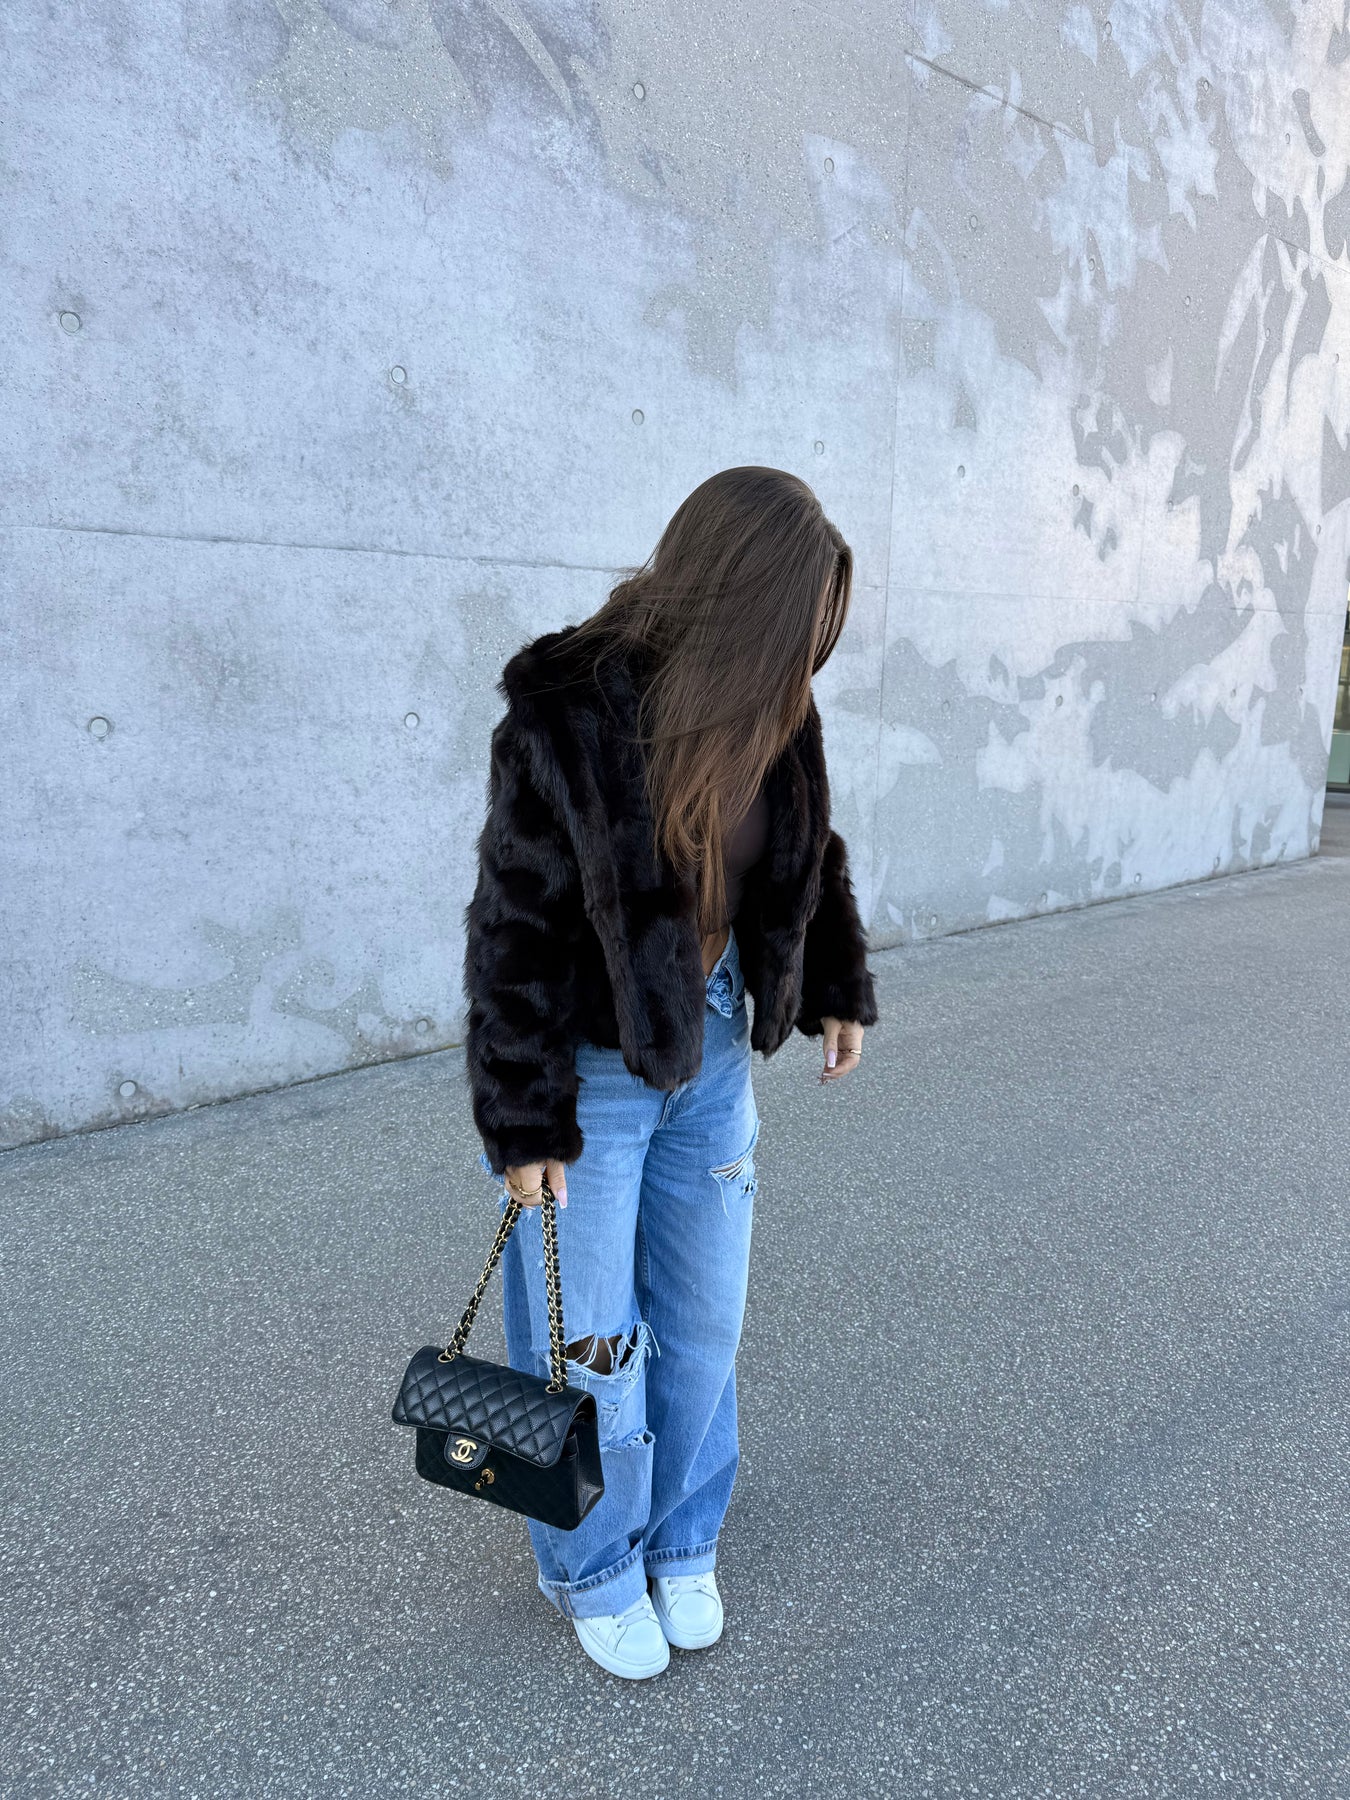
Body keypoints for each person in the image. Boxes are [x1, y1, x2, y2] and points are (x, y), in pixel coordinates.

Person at [462, 466, 877, 1679]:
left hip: (715, 1049)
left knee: (700, 1328)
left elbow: (809, 855)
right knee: (591, 1345)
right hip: (590, 1068)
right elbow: (514, 924)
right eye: (800, 623)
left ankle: (683, 1535)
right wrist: (523, 1117)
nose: (810, 653)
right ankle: (593, 1563)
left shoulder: (778, 708)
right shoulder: (565, 709)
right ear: (736, 597)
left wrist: (836, 980)